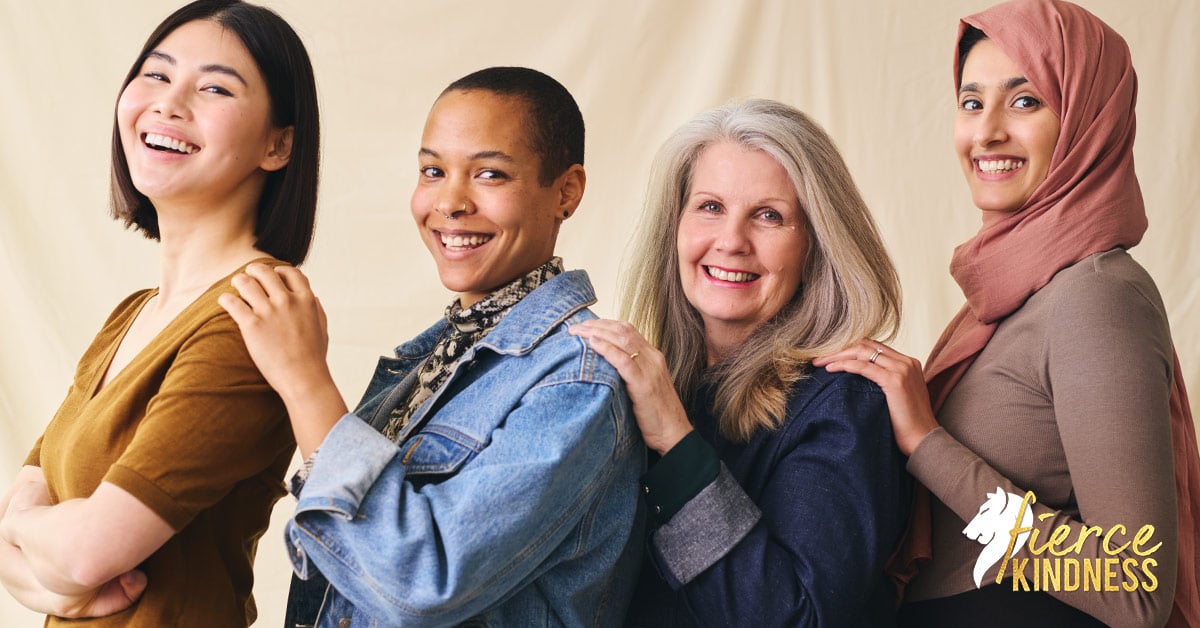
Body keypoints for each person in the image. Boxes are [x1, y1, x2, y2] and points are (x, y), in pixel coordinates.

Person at [814, 1, 1200, 626]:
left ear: (1086, 120)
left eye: (1025, 101)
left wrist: (928, 445)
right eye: (971, 103)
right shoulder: (1007, 296)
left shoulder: (1095, 296)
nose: (987, 131)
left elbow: (1134, 586)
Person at [219, 66, 642, 627]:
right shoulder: (432, 361)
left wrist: (304, 380)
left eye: (489, 174)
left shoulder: (578, 382)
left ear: (566, 191)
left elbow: (421, 580)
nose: (450, 201)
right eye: (433, 170)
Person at [0, 0, 319, 625]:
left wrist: (32, 539)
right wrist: (41, 550)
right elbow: (31, 494)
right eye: (155, 74)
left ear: (278, 144)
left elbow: (89, 553)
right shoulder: (134, 312)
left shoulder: (251, 311)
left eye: (215, 88)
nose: (169, 104)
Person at [570, 98, 911, 626]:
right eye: (710, 207)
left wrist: (677, 445)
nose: (731, 241)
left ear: (816, 247)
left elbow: (794, 617)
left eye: (769, 216)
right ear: (675, 228)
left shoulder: (843, 402)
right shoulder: (665, 388)